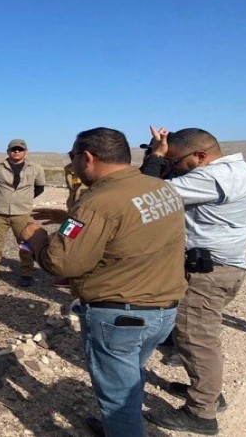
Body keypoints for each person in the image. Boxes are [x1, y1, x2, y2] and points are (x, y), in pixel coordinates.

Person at [22, 127, 186, 437]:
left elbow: (63, 263)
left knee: (117, 399)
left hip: (120, 315)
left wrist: (37, 239)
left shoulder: (97, 202)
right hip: (163, 310)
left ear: (87, 157)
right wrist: (68, 219)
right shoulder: (160, 188)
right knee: (130, 380)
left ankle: (123, 428)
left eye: (73, 158)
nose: (73, 165)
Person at [141, 126, 246, 435]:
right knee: (200, 336)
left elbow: (140, 193)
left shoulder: (209, 177)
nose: (174, 168)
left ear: (200, 156)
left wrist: (155, 157)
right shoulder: (242, 169)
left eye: (176, 162)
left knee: (196, 340)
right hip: (227, 267)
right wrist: (229, 228)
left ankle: (202, 414)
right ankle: (209, 395)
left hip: (207, 274)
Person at [0, 138, 45, 288]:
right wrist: (2, 198)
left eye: (20, 149)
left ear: (26, 152)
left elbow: (40, 188)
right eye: (13, 149)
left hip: (22, 213)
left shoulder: (36, 168)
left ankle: (27, 273)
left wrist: (24, 199)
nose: (17, 152)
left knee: (25, 244)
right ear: (8, 151)